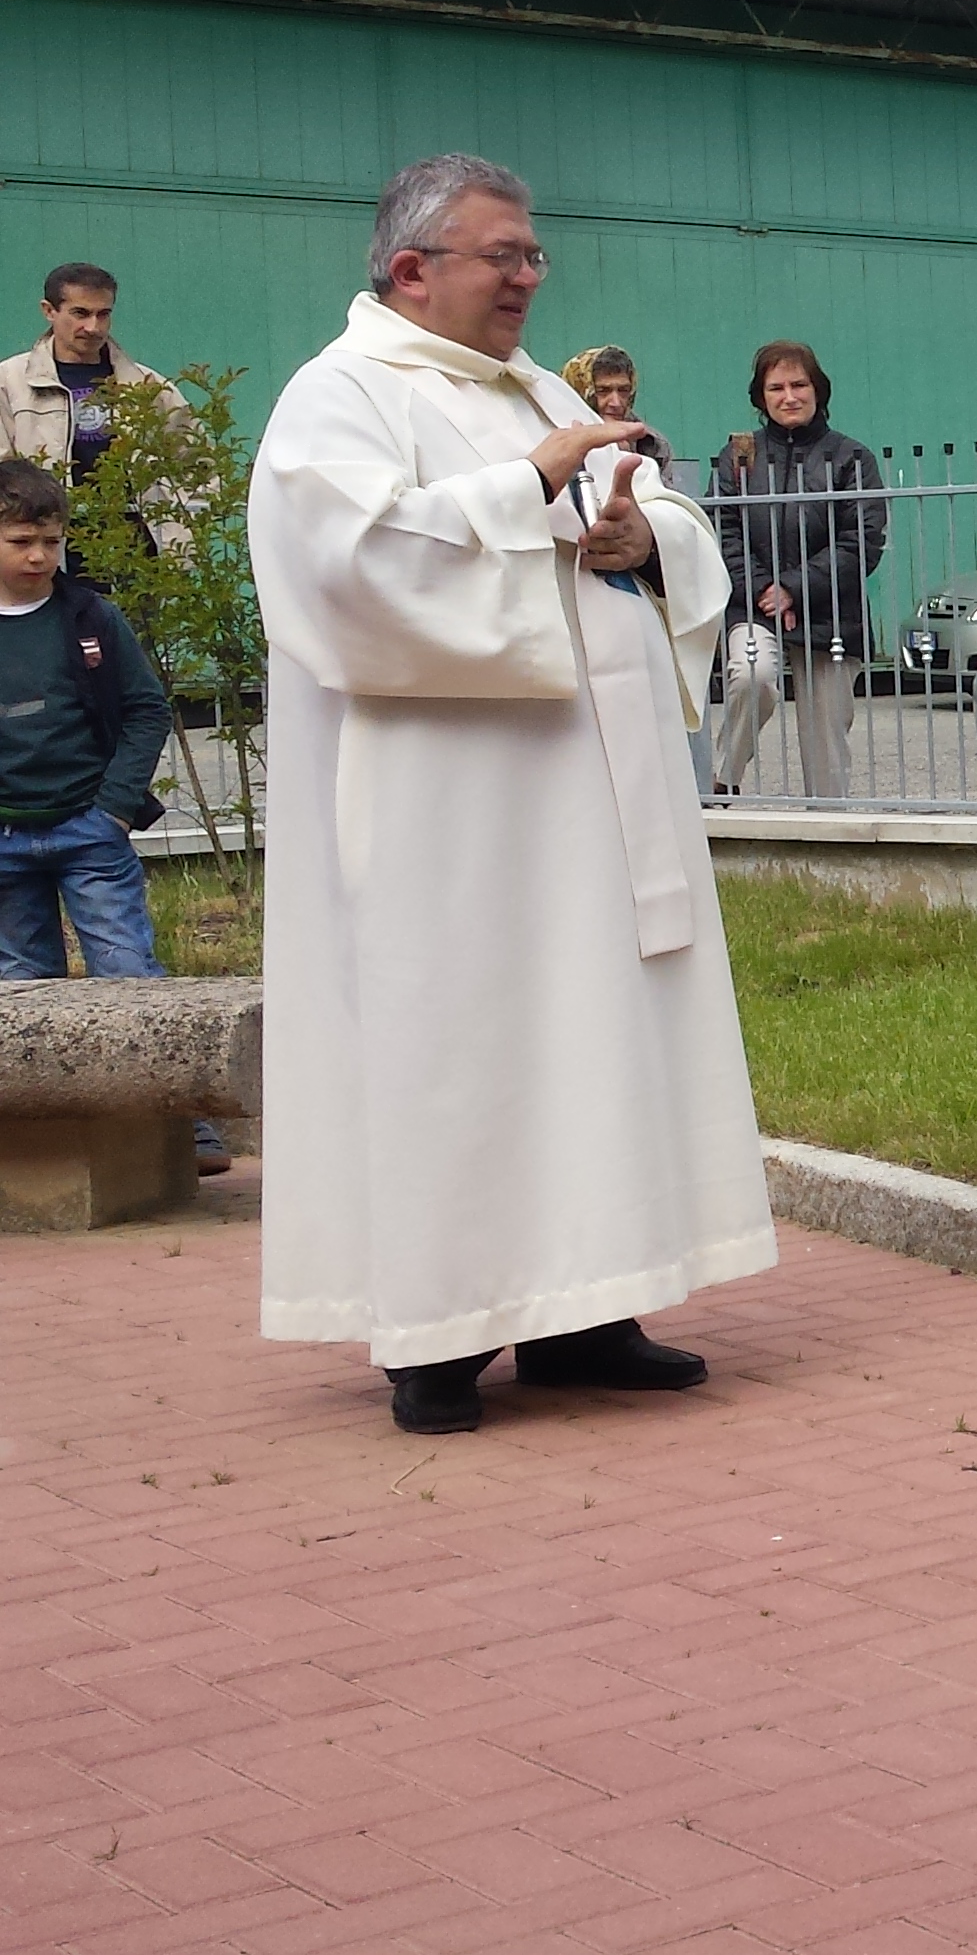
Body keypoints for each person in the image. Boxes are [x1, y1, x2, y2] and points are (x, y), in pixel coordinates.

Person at [249, 152, 768, 1437]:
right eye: (505, 256)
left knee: (592, 1035)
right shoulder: (342, 397)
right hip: (448, 822)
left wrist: (645, 539)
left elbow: (647, 518)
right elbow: (342, 570)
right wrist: (529, 486)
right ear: (413, 268)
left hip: (587, 813)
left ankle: (588, 1307)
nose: (531, 277)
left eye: (534, 255)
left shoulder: (530, 387)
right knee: (457, 1045)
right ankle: (435, 1333)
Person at [0, 457, 176, 976]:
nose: (39, 556)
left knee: (127, 975)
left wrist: (115, 807)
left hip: (90, 829)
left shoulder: (93, 617)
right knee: (20, 989)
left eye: (52, 542)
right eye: (21, 541)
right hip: (5, 841)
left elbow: (147, 710)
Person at [707, 342, 883, 800]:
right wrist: (767, 588)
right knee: (751, 677)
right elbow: (723, 530)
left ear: (817, 390)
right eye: (776, 387)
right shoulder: (738, 456)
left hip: (831, 613)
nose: (789, 396)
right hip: (754, 603)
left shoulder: (851, 458)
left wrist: (795, 588)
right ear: (760, 396)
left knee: (825, 739)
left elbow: (862, 541)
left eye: (799, 385)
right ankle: (724, 778)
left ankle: (829, 828)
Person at [0, 263, 155, 485]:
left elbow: (194, 462)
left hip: (130, 518)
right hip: (46, 518)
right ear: (49, 311)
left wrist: (174, 518)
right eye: (80, 313)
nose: (93, 327)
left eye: (103, 314)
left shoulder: (145, 384)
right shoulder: (9, 381)